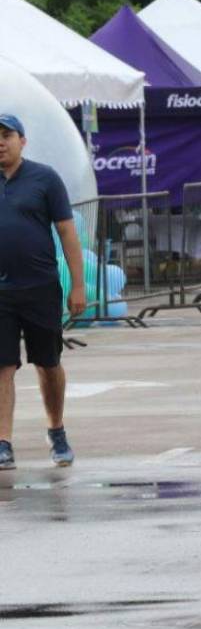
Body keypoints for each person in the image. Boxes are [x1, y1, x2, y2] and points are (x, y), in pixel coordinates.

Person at [0, 115, 85, 470]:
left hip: (40, 288)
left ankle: (57, 430)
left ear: (23, 140)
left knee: (48, 364)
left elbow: (67, 232)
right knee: (2, 366)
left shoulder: (45, 178)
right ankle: (3, 442)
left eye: (6, 136)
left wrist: (78, 285)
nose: (0, 143)